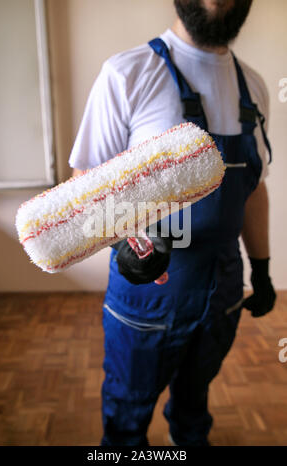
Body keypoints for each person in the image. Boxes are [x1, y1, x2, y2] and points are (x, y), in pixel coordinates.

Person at [69, 0, 276, 446]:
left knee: (194, 403)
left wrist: (261, 267)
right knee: (126, 417)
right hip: (149, 293)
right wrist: (125, 244)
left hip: (222, 286)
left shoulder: (254, 88)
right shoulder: (129, 74)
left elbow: (254, 189)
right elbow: (84, 188)